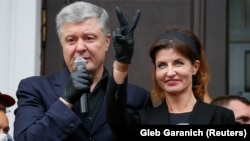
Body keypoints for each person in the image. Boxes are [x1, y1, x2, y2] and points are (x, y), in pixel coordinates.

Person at [13, 1, 151, 141]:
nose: (80, 47)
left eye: (89, 38)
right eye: (71, 40)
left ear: (107, 42)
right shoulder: (34, 89)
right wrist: (66, 101)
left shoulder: (137, 97)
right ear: (62, 44)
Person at [107, 28, 236, 136]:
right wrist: (121, 63)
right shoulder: (144, 120)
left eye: (178, 63)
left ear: (195, 67)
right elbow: (116, 122)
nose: (170, 73)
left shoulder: (220, 118)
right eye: (162, 65)